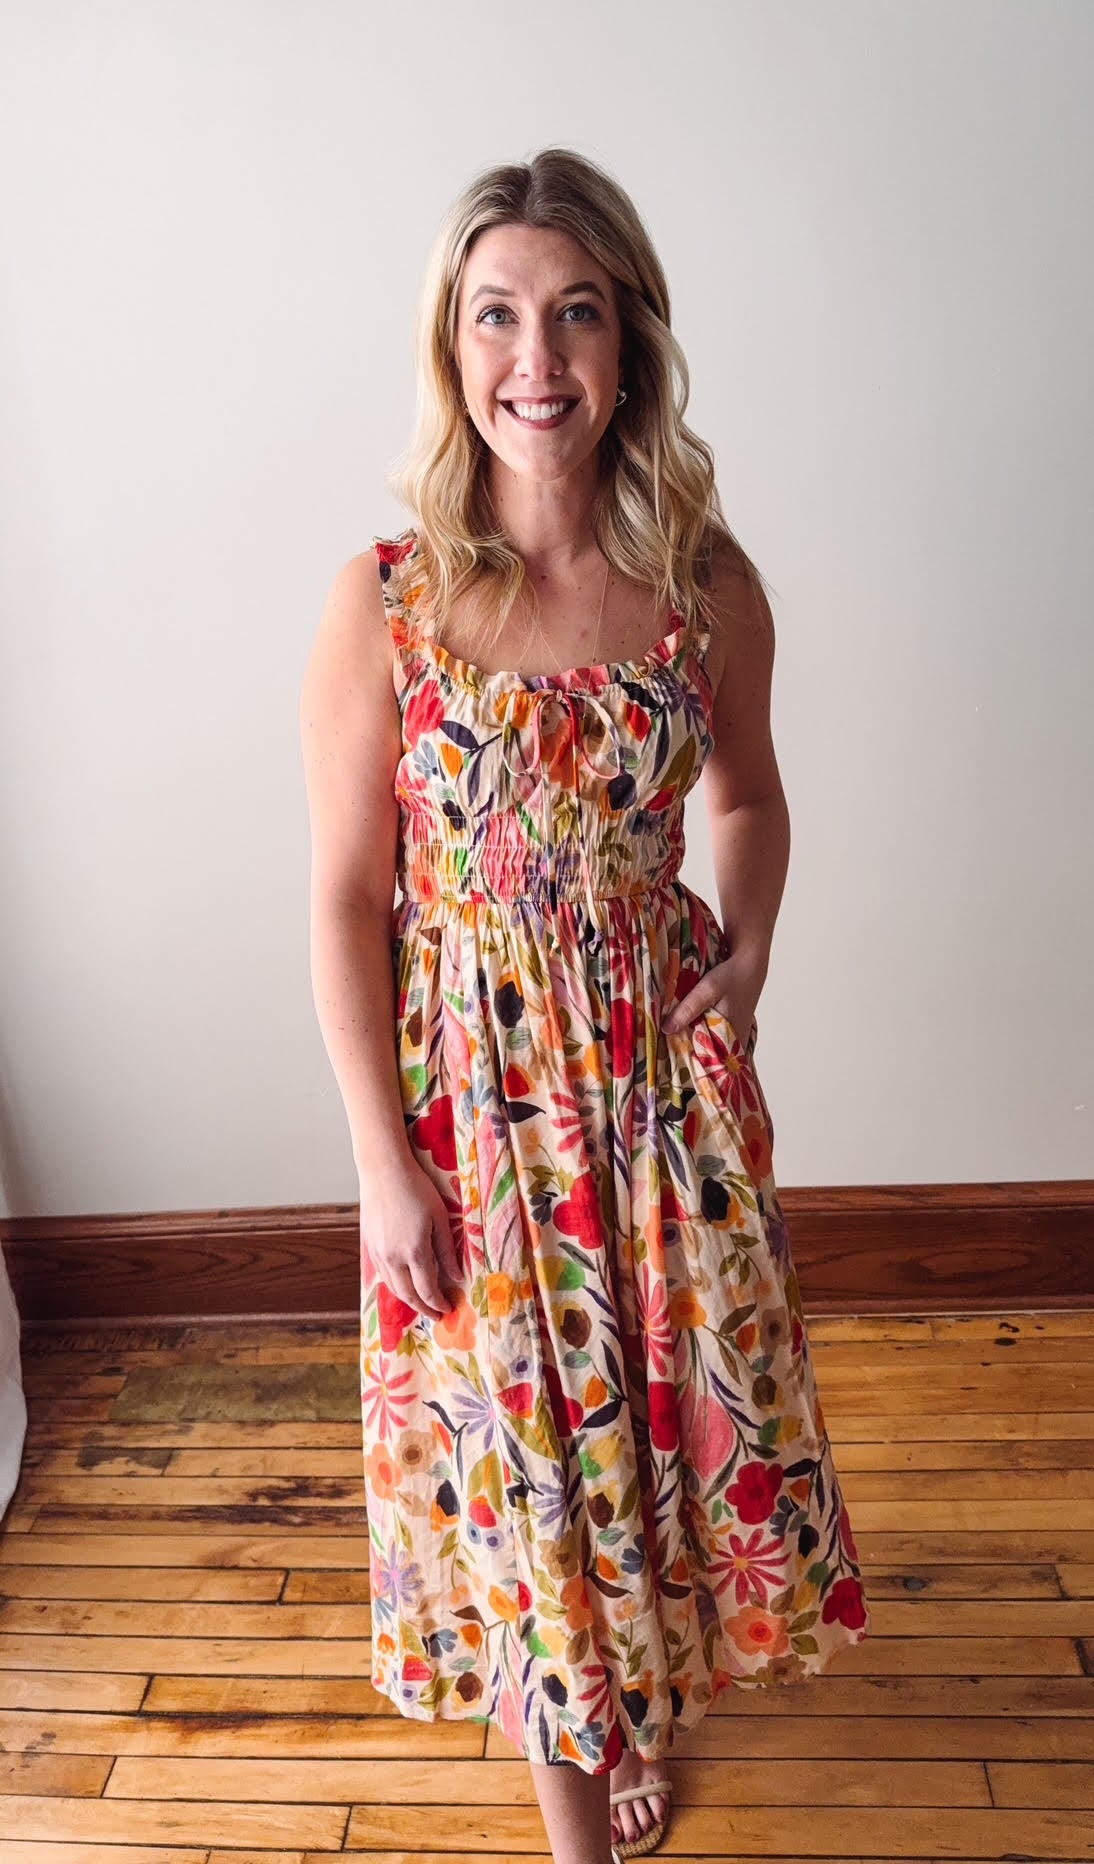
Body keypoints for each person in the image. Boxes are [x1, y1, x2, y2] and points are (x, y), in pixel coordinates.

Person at [300, 146, 870, 1864]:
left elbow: (750, 801)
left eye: (574, 314)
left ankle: (626, 1704)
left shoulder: (702, 583)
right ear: (449, 346)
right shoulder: (385, 602)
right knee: (529, 1461)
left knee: (667, 1437)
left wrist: (749, 949)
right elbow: (346, 895)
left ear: (628, 346)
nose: (532, 357)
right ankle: (576, 1815)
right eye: (494, 317)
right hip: (477, 1114)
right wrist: (378, 1160)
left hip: (656, 1098)